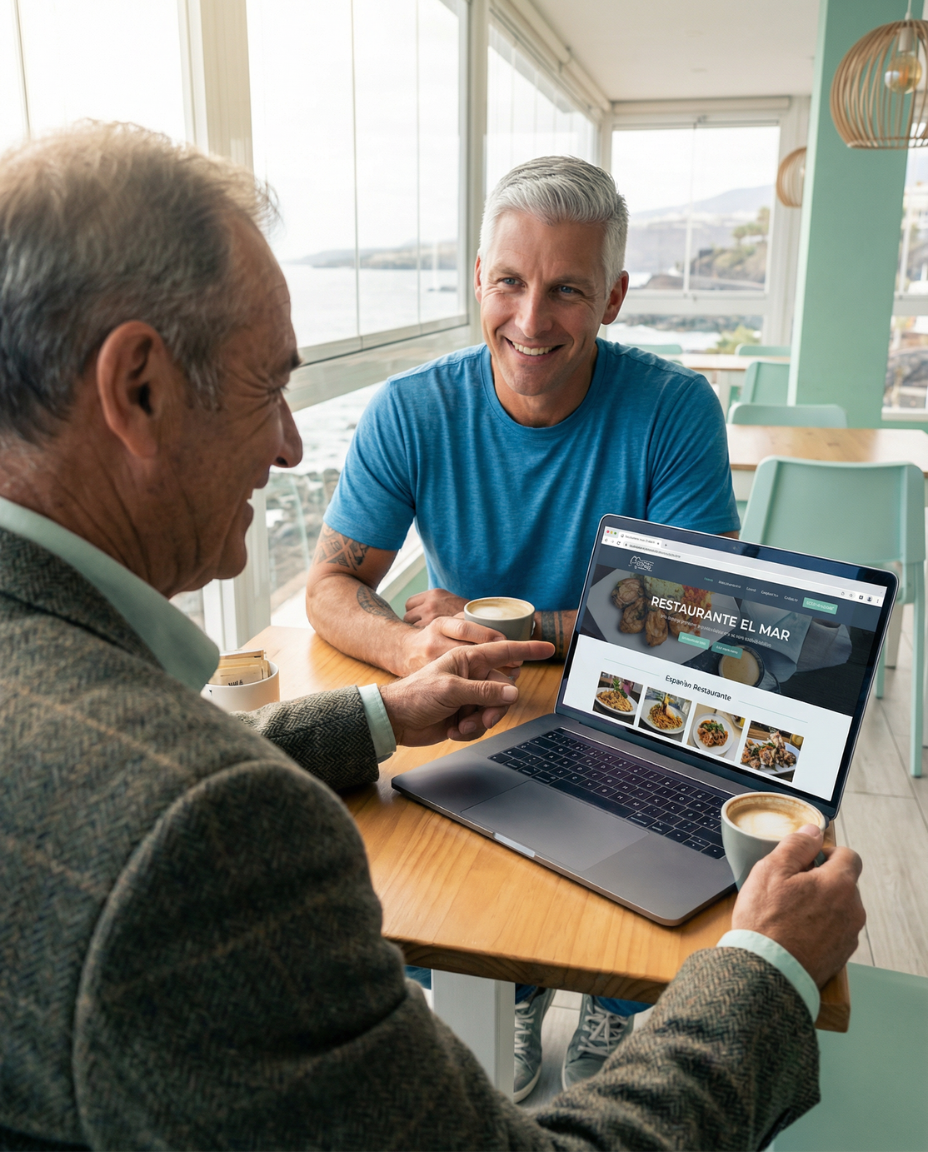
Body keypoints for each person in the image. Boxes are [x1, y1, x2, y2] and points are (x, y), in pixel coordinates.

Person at [0, 123, 865, 1151]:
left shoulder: (105, 739)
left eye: (569, 291)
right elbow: (172, 802)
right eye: (271, 388)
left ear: (614, 298)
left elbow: (128, 784)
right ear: (137, 386)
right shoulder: (207, 834)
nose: (287, 445)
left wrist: (380, 712)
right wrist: (763, 968)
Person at [305, 155, 742, 1096]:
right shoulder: (414, 408)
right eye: (509, 281)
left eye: (568, 290)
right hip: (477, 708)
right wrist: (413, 645)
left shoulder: (673, 410)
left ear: (615, 297)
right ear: (478, 279)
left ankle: (613, 1018)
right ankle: (510, 998)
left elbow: (694, 617)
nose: (532, 320)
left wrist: (507, 621)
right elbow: (333, 585)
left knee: (646, 909)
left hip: (628, 714)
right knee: (435, 893)